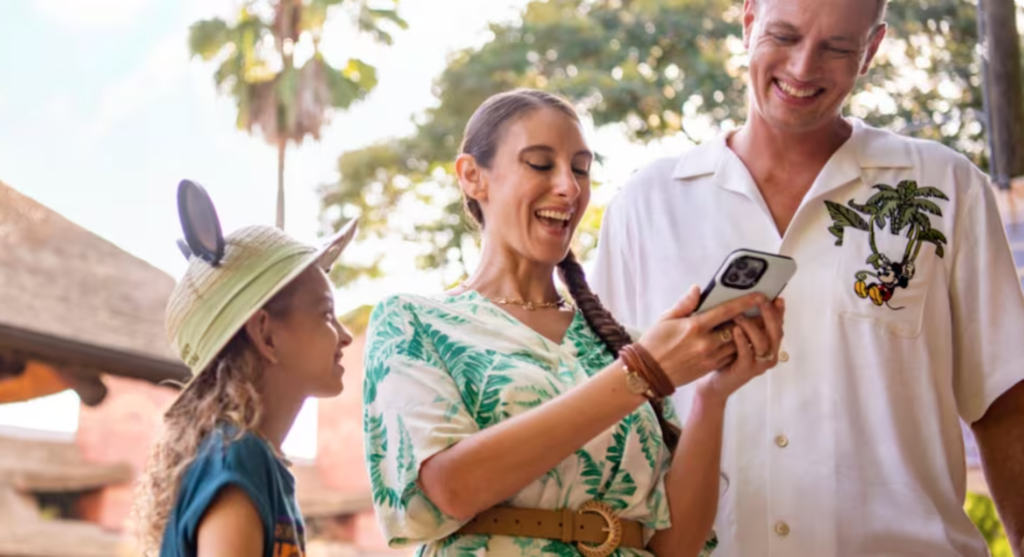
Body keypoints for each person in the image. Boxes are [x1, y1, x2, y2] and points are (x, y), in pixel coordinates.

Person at [590, 0, 1024, 555]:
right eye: (785, 36)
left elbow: (1006, 405)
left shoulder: (944, 187)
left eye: (837, 48)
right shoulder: (646, 203)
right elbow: (605, 418)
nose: (802, 68)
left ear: (871, 50)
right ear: (748, 23)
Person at [361, 89, 786, 557]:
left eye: (581, 168)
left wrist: (712, 395)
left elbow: (675, 547)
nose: (569, 186)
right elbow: (450, 487)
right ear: (472, 177)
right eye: (541, 164)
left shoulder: (615, 344)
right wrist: (640, 374)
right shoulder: (413, 321)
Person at [133, 180, 358, 557]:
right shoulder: (238, 457)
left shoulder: (252, 460)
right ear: (266, 335)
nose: (345, 335)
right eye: (327, 315)